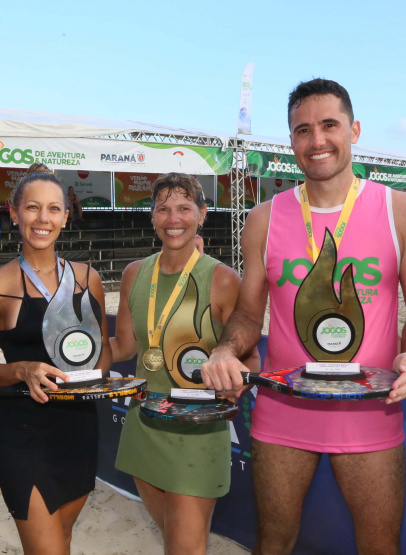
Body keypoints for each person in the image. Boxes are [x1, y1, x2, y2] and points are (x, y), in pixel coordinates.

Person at [202, 78, 406, 555]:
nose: (317, 140)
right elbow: (249, 313)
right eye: (302, 130)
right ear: (291, 140)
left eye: (329, 125)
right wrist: (225, 349)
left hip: (371, 407)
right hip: (284, 409)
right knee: (274, 542)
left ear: (354, 129)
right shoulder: (264, 219)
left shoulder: (401, 210)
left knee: (379, 546)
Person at [111, 173, 260, 555]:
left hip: (197, 428)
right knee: (173, 541)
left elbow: (251, 356)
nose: (173, 218)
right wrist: (68, 356)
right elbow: (123, 345)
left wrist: (237, 380)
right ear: (152, 217)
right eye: (163, 208)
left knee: (185, 548)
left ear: (202, 214)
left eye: (183, 208)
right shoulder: (133, 274)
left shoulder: (224, 279)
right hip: (144, 422)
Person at [0, 163, 110, 554]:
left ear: (66, 216)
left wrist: (100, 379)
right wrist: (20, 369)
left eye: (53, 209)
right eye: (32, 208)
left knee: (62, 541)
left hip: (79, 429)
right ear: (14, 213)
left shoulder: (87, 278)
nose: (42, 219)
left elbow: (104, 357)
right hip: (24, 434)